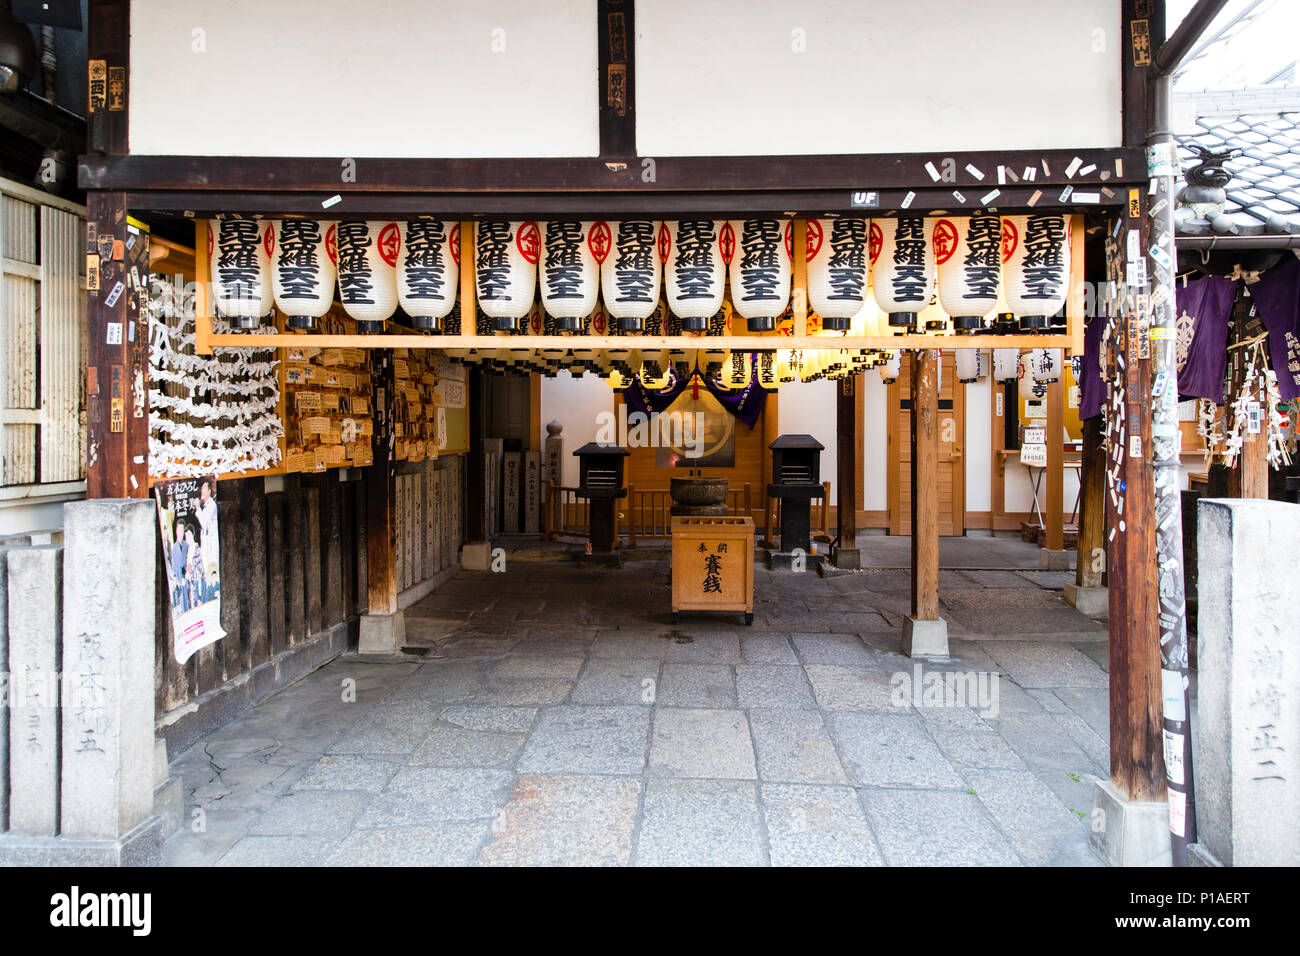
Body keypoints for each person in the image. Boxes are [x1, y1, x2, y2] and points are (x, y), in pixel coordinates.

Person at [195, 480, 221, 597]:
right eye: (202, 488)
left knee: (212, 575)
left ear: (209, 491)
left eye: (204, 488)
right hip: (207, 548)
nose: (202, 491)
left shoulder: (212, 506)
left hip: (212, 548)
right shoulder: (207, 506)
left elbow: (204, 523)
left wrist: (197, 508)